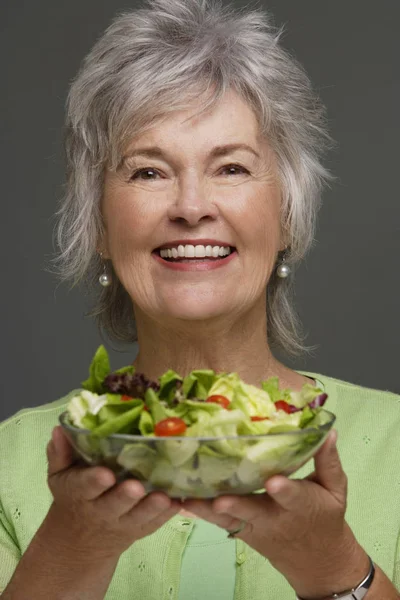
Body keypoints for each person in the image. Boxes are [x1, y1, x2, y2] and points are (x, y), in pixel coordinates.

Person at [0, 1, 399, 599]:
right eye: (148, 172)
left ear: (288, 215)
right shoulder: (9, 465)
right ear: (99, 226)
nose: (191, 207)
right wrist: (68, 550)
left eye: (232, 168)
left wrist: (336, 568)